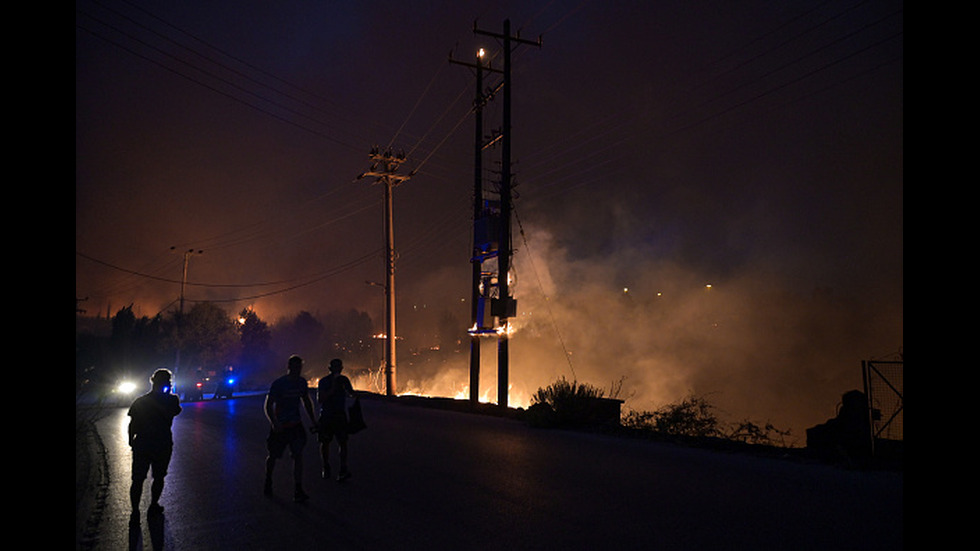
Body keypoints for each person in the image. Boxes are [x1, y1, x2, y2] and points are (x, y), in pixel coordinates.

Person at [128, 368, 182, 524]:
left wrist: (131, 441)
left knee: (138, 479)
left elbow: (132, 424)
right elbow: (174, 413)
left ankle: (135, 511)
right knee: (158, 477)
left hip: (142, 443)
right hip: (162, 443)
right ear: (167, 382)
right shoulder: (172, 400)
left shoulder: (140, 401)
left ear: (152, 381)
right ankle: (153, 505)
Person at [264, 355, 318, 502]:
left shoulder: (301, 383)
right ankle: (268, 480)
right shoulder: (279, 384)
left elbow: (306, 401)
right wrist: (275, 423)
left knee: (298, 456)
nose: (297, 370)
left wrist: (313, 420)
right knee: (273, 456)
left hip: (295, 425)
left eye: (299, 367)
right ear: (289, 367)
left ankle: (298, 488)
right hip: (281, 426)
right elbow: (269, 405)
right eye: (295, 367)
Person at [317, 358, 356, 482]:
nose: (338, 369)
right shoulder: (324, 381)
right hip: (327, 415)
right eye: (335, 367)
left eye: (339, 367)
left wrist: (352, 393)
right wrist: (333, 388)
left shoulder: (344, 380)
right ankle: (326, 467)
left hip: (340, 415)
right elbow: (320, 399)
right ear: (330, 369)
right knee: (325, 442)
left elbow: (351, 393)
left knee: (343, 442)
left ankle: (343, 469)